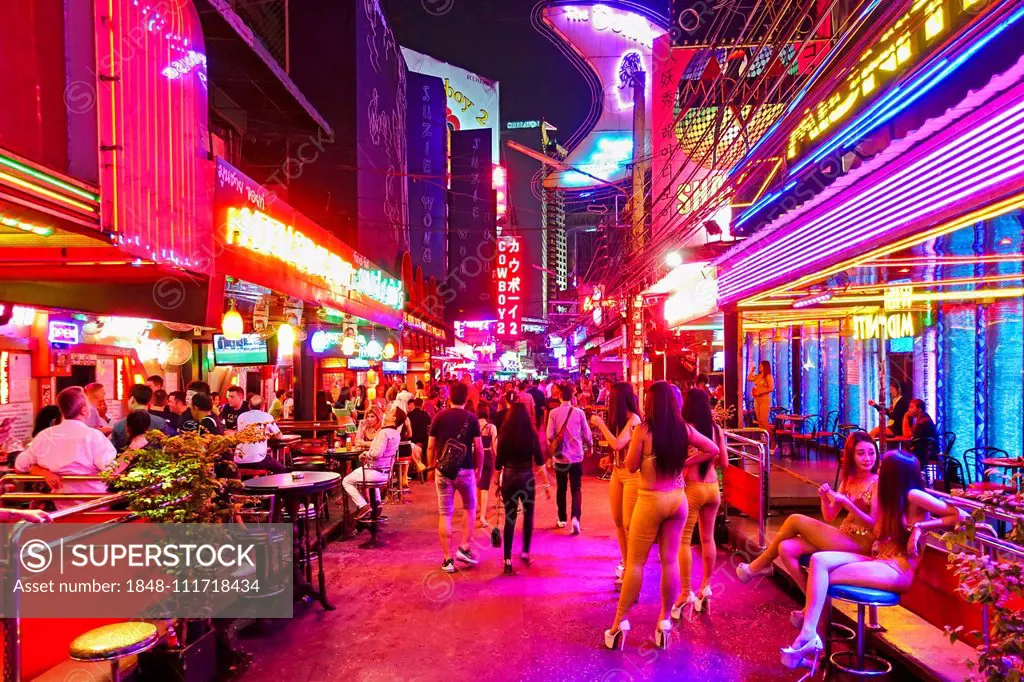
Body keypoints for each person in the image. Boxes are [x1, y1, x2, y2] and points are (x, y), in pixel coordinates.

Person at [779, 452, 964, 673]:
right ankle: (809, 633)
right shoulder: (891, 497)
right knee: (819, 561)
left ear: (894, 472)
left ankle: (810, 633)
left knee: (821, 580)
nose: (878, 467)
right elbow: (878, 532)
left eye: (883, 465)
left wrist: (920, 528)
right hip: (880, 560)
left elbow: (961, 515)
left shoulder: (914, 494)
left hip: (897, 570)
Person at [603, 381, 720, 651]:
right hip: (677, 500)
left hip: (650, 499)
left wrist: (645, 457)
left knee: (635, 563)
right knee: (669, 561)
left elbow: (631, 466)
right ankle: (664, 620)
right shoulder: (683, 429)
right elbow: (712, 449)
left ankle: (619, 623)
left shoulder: (644, 430)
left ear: (651, 404)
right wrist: (685, 462)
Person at [736, 433, 880, 598]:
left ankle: (759, 564)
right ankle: (817, 608)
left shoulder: (877, 482)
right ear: (851, 456)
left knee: (795, 519)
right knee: (786, 548)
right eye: (860, 453)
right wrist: (824, 499)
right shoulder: (848, 480)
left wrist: (847, 503)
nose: (867, 458)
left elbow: (873, 523)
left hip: (863, 542)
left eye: (871, 452)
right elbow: (830, 516)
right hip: (844, 535)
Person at [673, 389, 730, 619]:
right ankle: (705, 586)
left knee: (684, 540)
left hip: (693, 487)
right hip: (713, 488)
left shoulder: (686, 429)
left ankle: (685, 592)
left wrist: (689, 460)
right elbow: (724, 462)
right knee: (708, 538)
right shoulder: (716, 430)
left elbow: (678, 461)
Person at [15, 386, 118, 509]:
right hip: (95, 506)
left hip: (61, 508)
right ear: (84, 410)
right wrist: (133, 451)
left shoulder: (45, 436)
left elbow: (20, 465)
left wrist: (43, 472)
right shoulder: (94, 437)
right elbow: (111, 470)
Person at [428, 381, 484, 573]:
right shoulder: (472, 418)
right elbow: (479, 449)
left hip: (443, 471)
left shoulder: (439, 417)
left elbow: (431, 446)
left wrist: (431, 466)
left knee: (445, 513)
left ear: (449, 397)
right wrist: (479, 469)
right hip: (466, 469)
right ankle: (464, 547)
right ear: (466, 398)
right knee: (469, 508)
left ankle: (447, 560)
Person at [590, 382, 642, 587]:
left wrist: (600, 424)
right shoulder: (620, 420)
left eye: (612, 397)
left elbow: (618, 443)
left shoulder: (635, 419)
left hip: (632, 476)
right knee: (618, 521)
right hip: (617, 473)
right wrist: (610, 460)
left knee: (629, 525)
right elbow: (618, 448)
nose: (609, 400)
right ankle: (626, 561)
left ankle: (632, 568)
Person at [495, 402, 552, 575]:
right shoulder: (531, 434)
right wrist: (546, 484)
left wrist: (497, 483)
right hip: (527, 478)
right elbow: (540, 462)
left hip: (509, 478)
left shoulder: (504, 433)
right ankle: (525, 552)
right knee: (528, 516)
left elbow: (498, 463)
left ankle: (507, 559)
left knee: (510, 518)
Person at [546, 383, 593, 535]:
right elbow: (587, 433)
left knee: (561, 487)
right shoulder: (579, 413)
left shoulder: (553, 413)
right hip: (576, 456)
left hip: (561, 458)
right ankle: (575, 519)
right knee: (576, 488)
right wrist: (590, 446)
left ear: (559, 396)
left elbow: (549, 436)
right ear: (572, 397)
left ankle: (562, 519)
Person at [343, 407, 405, 519]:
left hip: (375, 472)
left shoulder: (384, 432)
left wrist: (365, 455)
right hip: (386, 473)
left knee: (346, 481)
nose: (388, 411)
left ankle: (363, 506)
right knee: (369, 475)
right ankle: (377, 502)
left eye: (391, 412)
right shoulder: (395, 433)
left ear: (394, 418)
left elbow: (377, 454)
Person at [110, 384, 169, 451]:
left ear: (132, 399)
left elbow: (112, 452)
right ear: (149, 401)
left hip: (125, 460)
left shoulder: (119, 425)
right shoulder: (160, 422)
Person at [235, 396, 286, 474]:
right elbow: (279, 436)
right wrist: (269, 435)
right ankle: (270, 485)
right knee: (281, 470)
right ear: (263, 406)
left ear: (249, 406)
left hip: (239, 460)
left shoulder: (241, 417)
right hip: (257, 460)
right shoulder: (267, 416)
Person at [476, 403, 499, 528]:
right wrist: (499, 461)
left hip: (475, 456)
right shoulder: (491, 427)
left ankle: (480, 510)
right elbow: (495, 446)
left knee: (478, 485)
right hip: (486, 456)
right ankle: (483, 517)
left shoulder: (473, 425)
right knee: (484, 487)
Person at [904, 398, 938, 466]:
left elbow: (907, 435)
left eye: (911, 407)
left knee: (900, 456)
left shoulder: (922, 422)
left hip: (925, 454)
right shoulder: (925, 417)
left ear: (919, 409)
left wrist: (905, 417)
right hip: (926, 451)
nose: (909, 410)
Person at [748, 361, 774, 431]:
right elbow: (749, 378)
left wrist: (760, 392)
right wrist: (752, 370)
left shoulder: (768, 376)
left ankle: (771, 440)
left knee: (763, 421)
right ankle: (763, 439)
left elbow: (771, 388)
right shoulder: (758, 376)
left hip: (764, 399)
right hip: (757, 400)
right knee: (759, 421)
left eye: (761, 366)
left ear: (765, 367)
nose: (759, 367)